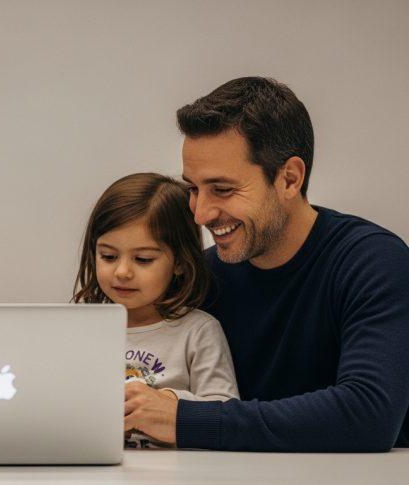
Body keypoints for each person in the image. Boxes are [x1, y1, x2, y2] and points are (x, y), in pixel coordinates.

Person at [128, 77, 409, 451]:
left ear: (289, 179)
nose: (201, 214)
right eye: (194, 189)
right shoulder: (203, 277)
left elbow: (368, 416)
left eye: (223, 189)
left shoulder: (372, 262)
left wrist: (183, 419)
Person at [73, 173, 239, 448]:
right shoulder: (82, 327)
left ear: (180, 263)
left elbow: (224, 409)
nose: (122, 272)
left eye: (143, 259)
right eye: (108, 256)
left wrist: (167, 402)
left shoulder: (198, 330)